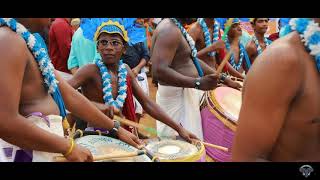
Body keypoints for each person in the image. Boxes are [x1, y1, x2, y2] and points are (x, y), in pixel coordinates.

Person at [0, 18, 142, 162]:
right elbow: (4, 121)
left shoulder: (29, 41)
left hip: (43, 150)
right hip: (26, 154)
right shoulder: (8, 40)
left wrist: (116, 128)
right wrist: (67, 147)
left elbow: (69, 95)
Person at [67, 19, 198, 142]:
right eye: (104, 42)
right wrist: (99, 107)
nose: (109, 47)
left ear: (124, 49)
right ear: (97, 47)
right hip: (95, 136)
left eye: (115, 43)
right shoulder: (89, 70)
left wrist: (179, 128)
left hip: (123, 135)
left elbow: (147, 103)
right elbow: (62, 92)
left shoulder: (126, 70)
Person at [232, 18, 320, 161]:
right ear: (253, 25)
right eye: (260, 21)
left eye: (267, 21)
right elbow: (247, 158)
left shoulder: (269, 44)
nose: (265, 24)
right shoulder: (282, 58)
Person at [150, 18, 223, 140]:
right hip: (176, 97)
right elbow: (158, 70)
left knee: (188, 145)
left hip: (184, 94)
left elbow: (191, 58)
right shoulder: (169, 29)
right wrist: (198, 83)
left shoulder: (176, 27)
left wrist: (223, 78)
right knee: (177, 148)